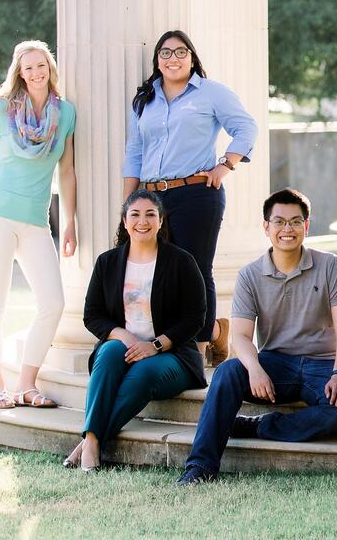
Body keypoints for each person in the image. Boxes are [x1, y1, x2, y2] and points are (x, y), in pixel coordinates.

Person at [177, 188, 337, 485]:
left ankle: (259, 426)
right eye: (280, 222)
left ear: (306, 226)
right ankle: (199, 468)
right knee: (228, 371)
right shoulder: (250, 275)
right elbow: (242, 337)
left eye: (296, 222)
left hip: (323, 364)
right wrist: (256, 370)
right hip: (276, 364)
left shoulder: (330, 265)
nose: (288, 229)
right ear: (266, 227)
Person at [124, 29, 258, 366]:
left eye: (181, 52)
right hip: (152, 199)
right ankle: (213, 330)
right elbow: (134, 152)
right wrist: (129, 205)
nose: (173, 59)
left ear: (192, 57)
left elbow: (246, 127)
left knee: (196, 271)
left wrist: (225, 165)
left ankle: (197, 351)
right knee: (159, 273)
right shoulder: (145, 99)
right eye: (166, 53)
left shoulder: (211, 93)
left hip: (198, 194)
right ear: (157, 60)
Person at [64, 190, 208, 472]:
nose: (143, 221)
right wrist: (124, 335)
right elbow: (92, 315)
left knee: (144, 373)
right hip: (124, 346)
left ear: (160, 220)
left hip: (172, 354)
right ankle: (92, 440)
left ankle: (89, 441)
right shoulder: (107, 262)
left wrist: (155, 345)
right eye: (135, 214)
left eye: (150, 214)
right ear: (125, 221)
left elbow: (195, 318)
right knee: (108, 353)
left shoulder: (181, 261)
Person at [0, 40, 77, 410]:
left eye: (40, 65)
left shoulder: (65, 114)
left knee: (53, 302)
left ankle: (27, 384)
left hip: (35, 221)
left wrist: (69, 222)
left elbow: (67, 169)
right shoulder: (0, 109)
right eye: (27, 67)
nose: (35, 72)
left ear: (50, 68)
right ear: (19, 72)